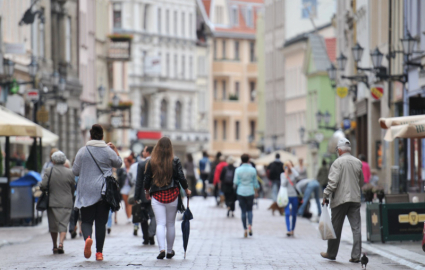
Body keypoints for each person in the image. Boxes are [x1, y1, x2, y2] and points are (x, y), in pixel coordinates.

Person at [72, 124, 122, 261]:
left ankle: (88, 238)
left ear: (90, 136)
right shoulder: (107, 150)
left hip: (86, 191)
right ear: (102, 137)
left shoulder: (82, 151)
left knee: (87, 221)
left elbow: (74, 171)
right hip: (103, 192)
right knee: (101, 223)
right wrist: (115, 150)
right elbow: (118, 163)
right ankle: (99, 253)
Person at [144, 137, 191, 259]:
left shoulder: (152, 161)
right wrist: (186, 189)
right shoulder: (175, 160)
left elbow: (147, 178)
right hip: (172, 195)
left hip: (157, 196)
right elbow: (181, 177)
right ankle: (170, 251)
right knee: (170, 224)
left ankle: (162, 249)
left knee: (160, 223)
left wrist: (147, 191)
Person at [321, 138, 363, 263]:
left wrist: (325, 195)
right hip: (355, 199)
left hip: (340, 199)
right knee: (356, 228)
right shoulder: (358, 162)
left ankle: (331, 253)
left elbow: (333, 183)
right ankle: (356, 256)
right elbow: (362, 181)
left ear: (339, 150)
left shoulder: (337, 163)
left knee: (336, 227)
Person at [40, 151, 75, 254]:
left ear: (53, 160)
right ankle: (61, 243)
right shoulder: (70, 172)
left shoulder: (48, 171)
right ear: (64, 160)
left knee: (53, 225)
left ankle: (54, 245)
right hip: (66, 202)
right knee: (63, 224)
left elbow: (43, 186)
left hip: (53, 202)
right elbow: (73, 187)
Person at [135, 146, 156, 245]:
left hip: (144, 195)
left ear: (148, 152)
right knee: (153, 216)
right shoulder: (158, 163)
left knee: (143, 217)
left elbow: (138, 182)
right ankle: (151, 234)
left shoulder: (142, 164)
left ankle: (146, 237)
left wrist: (136, 196)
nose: (143, 152)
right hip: (155, 194)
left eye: (144, 150)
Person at [234, 154, 259, 238]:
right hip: (250, 191)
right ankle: (250, 226)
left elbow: (235, 182)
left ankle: (245, 229)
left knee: (243, 211)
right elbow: (256, 183)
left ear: (241, 160)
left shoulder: (238, 170)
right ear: (249, 160)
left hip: (240, 191)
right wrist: (256, 190)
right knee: (250, 210)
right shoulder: (253, 170)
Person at [280, 162, 299, 236]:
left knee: (294, 214)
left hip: (294, 195)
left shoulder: (294, 174)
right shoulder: (282, 175)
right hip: (286, 196)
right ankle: (288, 230)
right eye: (286, 166)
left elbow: (297, 176)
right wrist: (286, 175)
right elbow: (283, 184)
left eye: (289, 166)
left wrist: (292, 168)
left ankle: (292, 229)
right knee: (287, 213)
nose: (288, 167)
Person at [117, 158, 133, 223]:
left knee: (130, 203)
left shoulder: (132, 169)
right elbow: (119, 176)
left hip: (130, 187)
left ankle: (129, 217)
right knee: (126, 203)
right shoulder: (122, 170)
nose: (125, 163)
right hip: (124, 187)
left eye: (126, 162)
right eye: (124, 162)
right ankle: (128, 216)